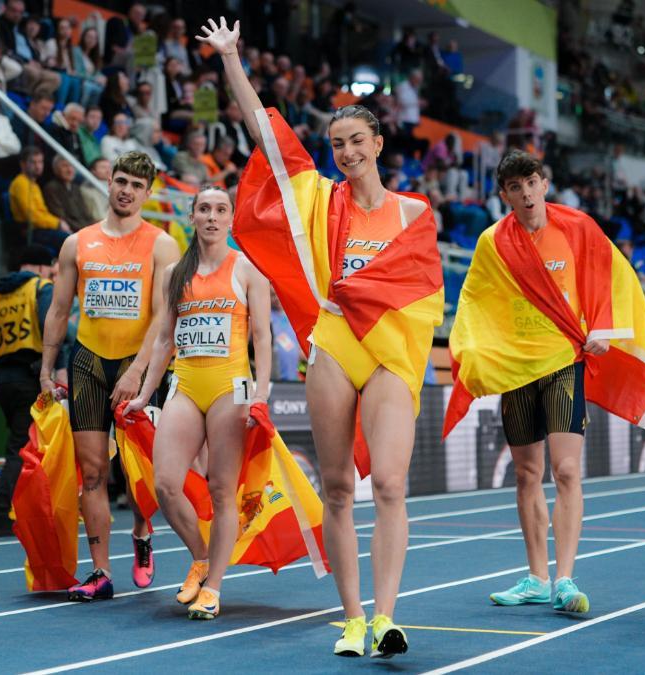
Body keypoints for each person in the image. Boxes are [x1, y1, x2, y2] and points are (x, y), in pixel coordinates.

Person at [200, 17, 444, 658]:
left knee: (389, 484)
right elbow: (263, 130)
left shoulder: (413, 213)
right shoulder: (318, 200)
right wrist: (231, 60)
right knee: (337, 487)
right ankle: (354, 618)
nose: (348, 151)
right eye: (338, 143)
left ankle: (389, 617)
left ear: (379, 141)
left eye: (358, 140)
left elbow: (425, 294)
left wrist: (372, 303)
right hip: (334, 348)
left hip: (389, 353)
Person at [445, 152, 645, 620]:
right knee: (526, 474)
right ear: (503, 196)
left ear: (544, 185)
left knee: (565, 472)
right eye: (515, 188)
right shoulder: (491, 243)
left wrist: (602, 325)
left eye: (531, 183)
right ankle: (537, 578)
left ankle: (565, 578)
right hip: (517, 369)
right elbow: (478, 301)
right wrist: (477, 352)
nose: (525, 195)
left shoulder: (577, 228)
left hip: (564, 360)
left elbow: (608, 275)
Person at [38, 150, 181, 600]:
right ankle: (100, 572)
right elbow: (61, 309)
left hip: (138, 366)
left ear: (147, 192)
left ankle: (141, 531)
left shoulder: (162, 243)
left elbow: (164, 314)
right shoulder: (76, 243)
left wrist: (139, 370)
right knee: (93, 471)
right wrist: (46, 368)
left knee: (142, 474)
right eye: (121, 181)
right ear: (109, 183)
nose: (126, 190)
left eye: (137, 186)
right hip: (89, 362)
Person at [125, 186, 272, 619]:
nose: (211, 216)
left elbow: (262, 338)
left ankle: (214, 587)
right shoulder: (174, 274)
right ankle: (202, 556)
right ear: (192, 217)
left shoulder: (247, 270)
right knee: (167, 484)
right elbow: (165, 340)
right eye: (204, 209)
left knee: (223, 490)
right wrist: (144, 395)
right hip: (186, 385)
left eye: (220, 210)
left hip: (232, 388)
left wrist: (262, 393)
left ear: (231, 219)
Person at [0, 244, 61, 536]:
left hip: (3, 378)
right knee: (24, 448)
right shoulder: (42, 288)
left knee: (24, 445)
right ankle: (0, 514)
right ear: (40, 267)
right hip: (32, 375)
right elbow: (52, 329)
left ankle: (23, 510)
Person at [10, 146, 72, 252]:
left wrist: (58, 222)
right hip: (31, 231)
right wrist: (57, 223)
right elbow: (32, 216)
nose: (38, 166)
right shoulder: (21, 183)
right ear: (23, 164)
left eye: (40, 162)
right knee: (70, 241)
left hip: (41, 229)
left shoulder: (34, 185)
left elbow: (42, 212)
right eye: (33, 162)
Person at [43, 155, 93, 231]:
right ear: (55, 169)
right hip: (73, 231)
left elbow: (86, 214)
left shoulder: (76, 188)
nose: (70, 170)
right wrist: (85, 230)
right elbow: (61, 216)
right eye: (65, 166)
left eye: (72, 166)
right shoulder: (51, 188)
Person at [80, 158, 111, 223]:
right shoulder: (87, 188)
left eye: (109, 167)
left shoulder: (114, 185)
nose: (108, 170)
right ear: (93, 171)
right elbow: (99, 217)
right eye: (103, 167)